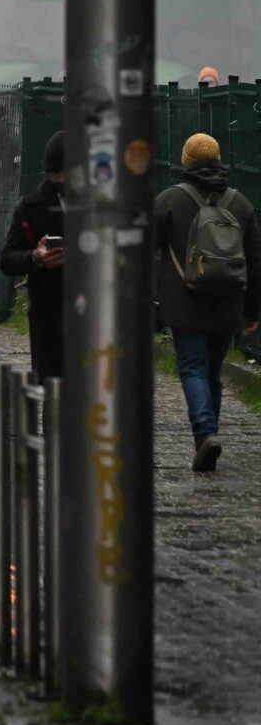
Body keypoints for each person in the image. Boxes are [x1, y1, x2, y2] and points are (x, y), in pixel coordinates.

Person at [150, 134, 260, 472]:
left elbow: (146, 251)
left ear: (185, 161)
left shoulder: (169, 201)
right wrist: (252, 311)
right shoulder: (240, 204)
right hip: (228, 305)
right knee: (212, 371)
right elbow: (255, 261)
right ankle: (208, 433)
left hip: (184, 303)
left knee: (192, 368)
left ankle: (205, 433)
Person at [0, 132, 68, 379]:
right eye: (56, 174)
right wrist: (35, 257)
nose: (61, 181)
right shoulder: (31, 206)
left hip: (94, 311)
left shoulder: (102, 204)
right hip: (50, 310)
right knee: (53, 389)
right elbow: (7, 259)